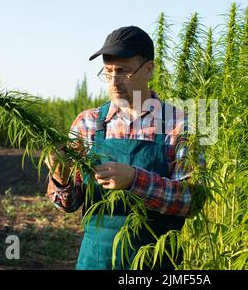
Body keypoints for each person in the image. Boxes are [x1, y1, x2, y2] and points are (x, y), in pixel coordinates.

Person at [45, 26, 205, 270]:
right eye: (108, 72)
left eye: (123, 71)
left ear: (148, 69)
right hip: (95, 261)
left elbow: (190, 200)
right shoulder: (87, 123)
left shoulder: (180, 125)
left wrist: (134, 180)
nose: (114, 81)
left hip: (156, 264)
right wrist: (60, 176)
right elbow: (67, 204)